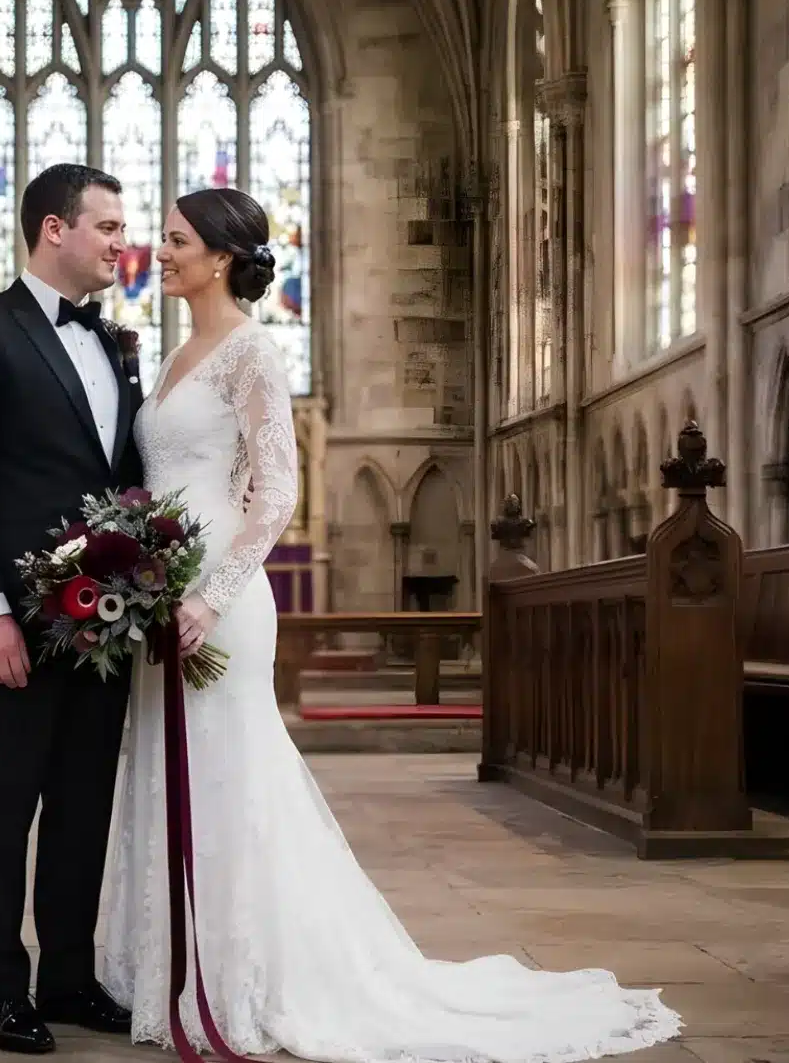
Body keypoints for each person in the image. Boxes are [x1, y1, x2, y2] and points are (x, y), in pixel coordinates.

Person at [96, 186, 685, 1063]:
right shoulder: (181, 351)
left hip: (216, 595)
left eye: (177, 240)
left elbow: (279, 492)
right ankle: (173, 969)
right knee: (161, 767)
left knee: (231, 774)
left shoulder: (252, 349)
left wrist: (211, 593)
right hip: (160, 587)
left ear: (221, 257)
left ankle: (247, 975)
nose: (162, 250)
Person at [0, 163, 144, 1054]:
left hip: (104, 621)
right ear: (56, 230)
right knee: (4, 805)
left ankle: (68, 977)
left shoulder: (119, 344)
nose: (121, 243)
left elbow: (119, 480)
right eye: (109, 227)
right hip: (15, 619)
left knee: (85, 804)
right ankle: (0, 993)